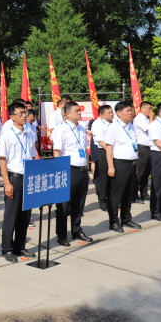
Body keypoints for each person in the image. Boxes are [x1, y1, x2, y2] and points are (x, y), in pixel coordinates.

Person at [0, 102, 37, 262]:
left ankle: (20, 246)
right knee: (11, 216)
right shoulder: (7, 135)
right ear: (12, 116)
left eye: (25, 112)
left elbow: (34, 153)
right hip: (14, 177)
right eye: (21, 113)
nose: (24, 115)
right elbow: (2, 160)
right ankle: (7, 249)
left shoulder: (29, 133)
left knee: (25, 216)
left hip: (28, 177)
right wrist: (7, 182)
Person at [52, 101, 92, 246]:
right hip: (68, 170)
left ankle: (76, 230)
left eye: (80, 111)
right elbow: (57, 152)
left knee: (79, 204)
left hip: (81, 170)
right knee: (63, 205)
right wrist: (59, 173)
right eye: (76, 111)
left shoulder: (81, 129)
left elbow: (85, 150)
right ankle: (61, 235)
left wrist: (87, 170)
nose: (79, 113)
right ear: (67, 114)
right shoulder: (60, 129)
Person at [104, 102, 142, 233]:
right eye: (127, 111)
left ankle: (126, 218)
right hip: (119, 164)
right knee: (116, 194)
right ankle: (113, 221)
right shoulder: (113, 127)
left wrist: (135, 163)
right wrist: (111, 166)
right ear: (118, 113)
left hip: (131, 163)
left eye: (131, 111)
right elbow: (109, 148)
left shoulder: (131, 126)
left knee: (128, 193)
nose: (130, 113)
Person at [91, 105, 113, 211]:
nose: (111, 114)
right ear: (101, 114)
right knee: (103, 178)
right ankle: (103, 200)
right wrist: (111, 151)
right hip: (103, 152)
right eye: (109, 113)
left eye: (112, 112)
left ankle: (110, 198)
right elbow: (101, 141)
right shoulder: (97, 124)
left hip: (112, 152)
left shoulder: (112, 123)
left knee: (111, 178)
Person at [133, 101, 153, 204]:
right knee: (140, 172)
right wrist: (152, 118)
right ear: (143, 108)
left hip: (149, 147)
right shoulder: (139, 119)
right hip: (142, 148)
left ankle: (144, 193)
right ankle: (134, 194)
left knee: (147, 172)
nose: (151, 111)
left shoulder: (146, 119)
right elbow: (151, 129)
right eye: (149, 108)